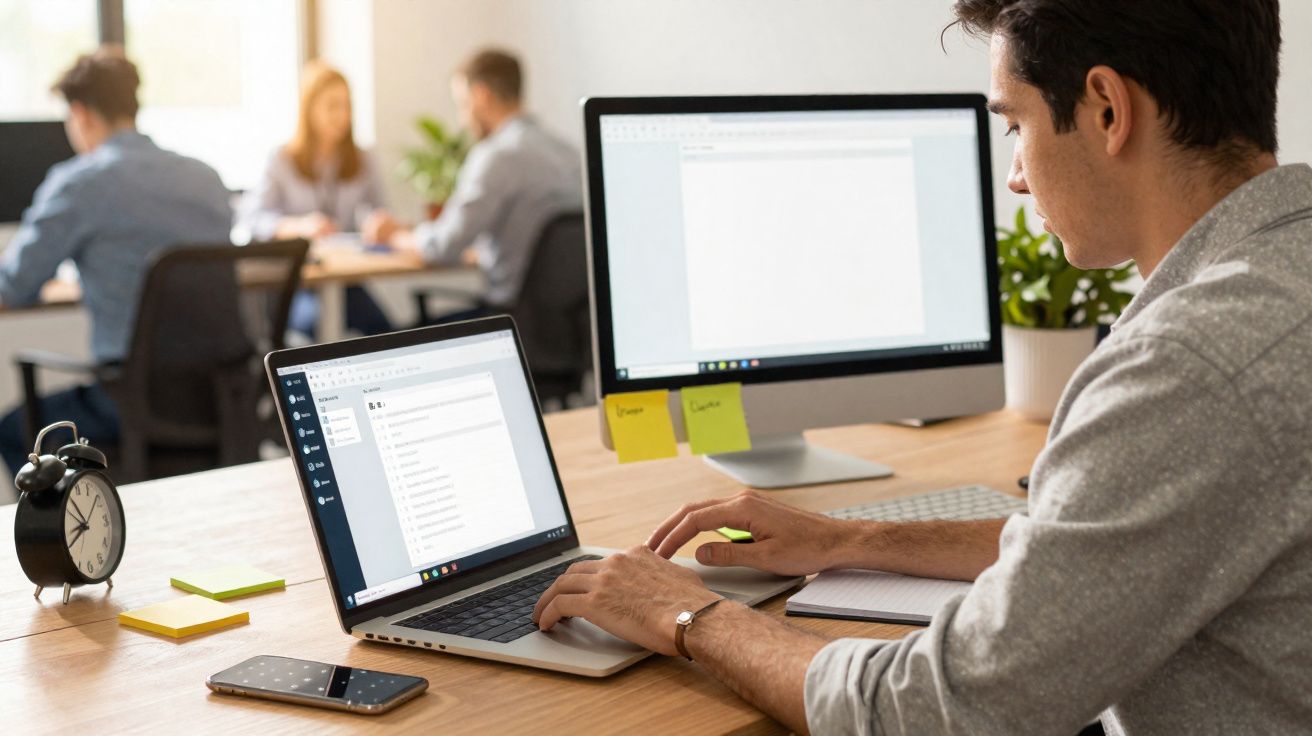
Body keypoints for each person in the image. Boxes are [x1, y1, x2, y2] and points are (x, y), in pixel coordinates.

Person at [531, 1, 1312, 733]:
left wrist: (687, 615)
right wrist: (853, 539)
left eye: (1015, 125)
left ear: (1107, 109)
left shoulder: (1186, 369)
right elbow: (1095, 554)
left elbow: (946, 709)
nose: (1015, 174)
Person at [0, 48, 231, 478]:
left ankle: (73, 536)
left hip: (131, 400)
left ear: (81, 113)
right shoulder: (206, 178)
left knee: (14, 430)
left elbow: (14, 285)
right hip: (221, 397)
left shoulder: (80, 182)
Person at [378, 48, 582, 318]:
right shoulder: (569, 152)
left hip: (510, 320)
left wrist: (395, 236)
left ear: (481, 96)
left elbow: (442, 248)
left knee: (396, 335)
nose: (462, 118)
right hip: (570, 326)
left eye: (462, 103)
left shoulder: (496, 155)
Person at [239, 61, 393, 340]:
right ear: (309, 109)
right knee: (315, 328)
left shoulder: (362, 159)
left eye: (346, 106)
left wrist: (379, 223)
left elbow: (379, 211)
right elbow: (251, 221)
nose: (341, 115)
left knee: (386, 333)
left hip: (347, 280)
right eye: (332, 106)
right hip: (301, 282)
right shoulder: (282, 159)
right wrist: (299, 227)